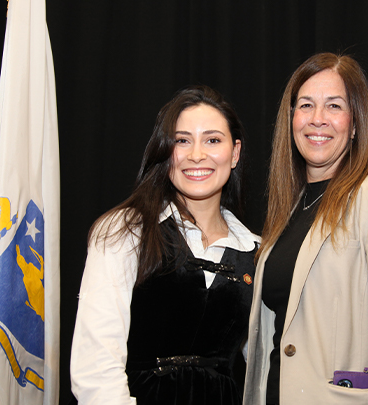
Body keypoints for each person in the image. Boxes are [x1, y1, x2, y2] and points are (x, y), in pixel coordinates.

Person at [243, 53, 368, 405]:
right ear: (291, 118)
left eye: (334, 106)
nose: (317, 119)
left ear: (356, 123)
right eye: (306, 105)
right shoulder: (288, 212)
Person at [71, 86, 260, 405]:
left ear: (235, 152)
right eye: (181, 140)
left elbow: (266, 368)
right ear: (164, 150)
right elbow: (96, 364)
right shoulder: (125, 230)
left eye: (212, 140)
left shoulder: (257, 252)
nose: (196, 154)